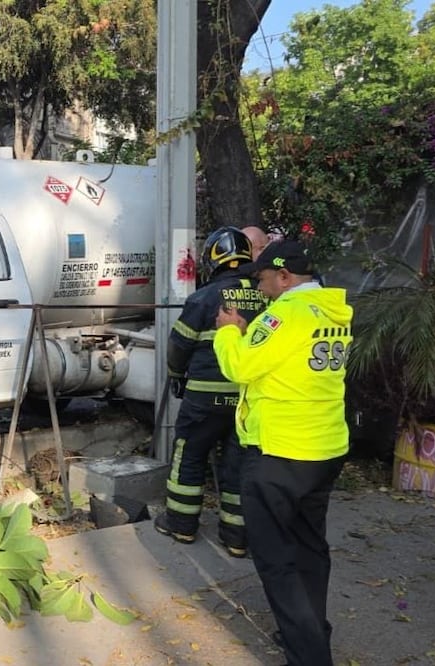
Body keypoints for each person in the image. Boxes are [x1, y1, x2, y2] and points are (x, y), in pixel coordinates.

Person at [213, 240, 351, 666]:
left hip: (279, 452)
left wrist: (227, 332)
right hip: (325, 448)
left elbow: (240, 367)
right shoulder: (332, 312)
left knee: (275, 559)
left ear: (285, 277)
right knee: (310, 546)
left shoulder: (284, 314)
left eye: (264, 278)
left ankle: (308, 655)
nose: (260, 285)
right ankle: (313, 632)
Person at [154, 227, 267, 557]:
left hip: (203, 398)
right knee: (239, 465)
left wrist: (176, 376)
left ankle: (181, 525)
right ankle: (236, 537)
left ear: (213, 259)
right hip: (247, 401)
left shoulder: (203, 298)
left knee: (189, 456)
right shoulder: (266, 299)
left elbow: (179, 345)